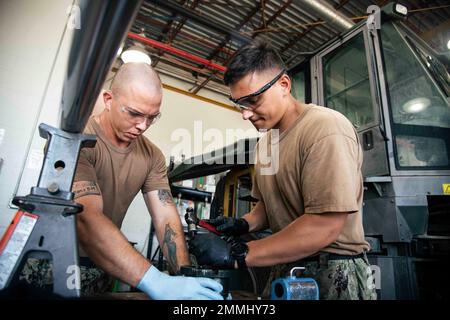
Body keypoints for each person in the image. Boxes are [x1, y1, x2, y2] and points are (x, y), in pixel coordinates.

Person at [189, 40, 377, 300]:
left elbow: (325, 225)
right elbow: (268, 206)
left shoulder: (324, 128)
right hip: (284, 266)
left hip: (332, 272)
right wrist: (242, 223)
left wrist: (239, 254)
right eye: (239, 104)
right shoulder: (265, 143)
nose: (245, 114)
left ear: (284, 85)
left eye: (253, 100)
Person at [21, 63, 223, 300]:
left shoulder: (152, 156)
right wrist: (156, 280)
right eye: (135, 113)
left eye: (152, 118)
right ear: (108, 99)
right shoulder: (75, 139)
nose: (142, 126)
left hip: (105, 266)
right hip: (50, 264)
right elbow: (85, 218)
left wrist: (186, 280)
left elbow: (166, 218)